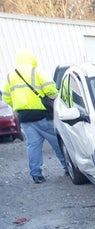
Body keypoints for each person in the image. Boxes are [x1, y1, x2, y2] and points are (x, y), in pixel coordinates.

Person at [1, 48, 67, 183]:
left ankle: (36, 174)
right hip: (42, 114)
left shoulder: (10, 76)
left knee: (33, 146)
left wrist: (19, 105)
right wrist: (54, 99)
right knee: (57, 142)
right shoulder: (36, 71)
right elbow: (50, 89)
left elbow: (6, 97)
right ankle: (67, 167)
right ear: (32, 59)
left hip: (24, 117)